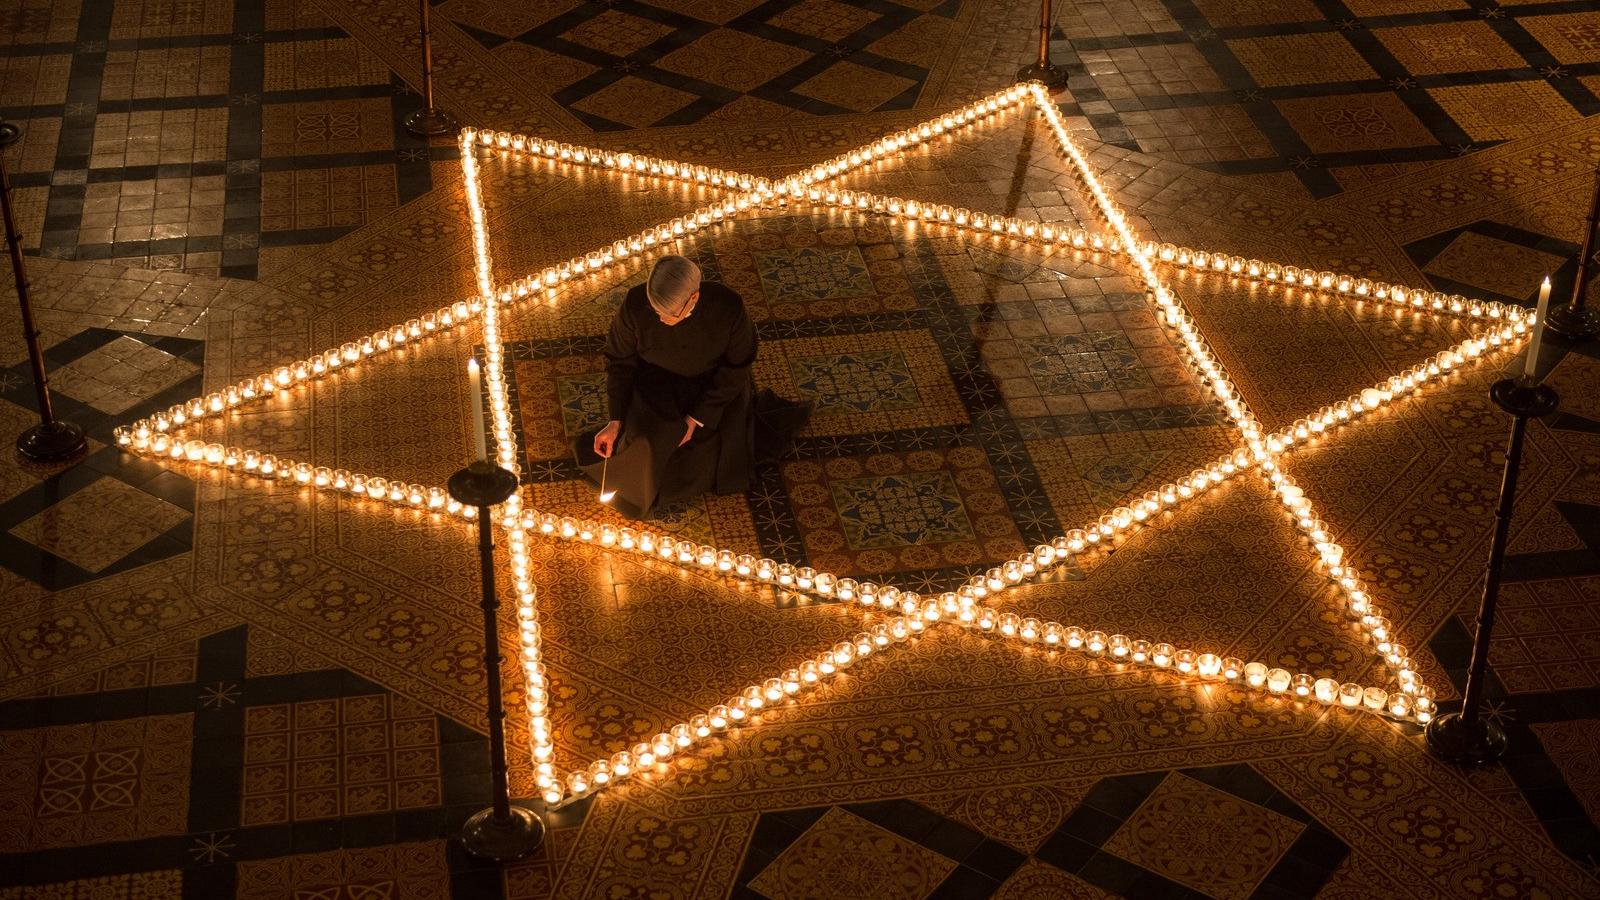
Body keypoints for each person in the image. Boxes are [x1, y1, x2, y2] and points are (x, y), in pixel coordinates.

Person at [574, 255, 809, 518]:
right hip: (655, 385)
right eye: (655, 311)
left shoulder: (728, 308)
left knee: (696, 454)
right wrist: (616, 419)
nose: (661, 319)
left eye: (669, 314)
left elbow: (737, 367)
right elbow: (619, 361)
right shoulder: (634, 305)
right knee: (646, 446)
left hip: (713, 389)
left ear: (693, 299)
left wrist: (697, 419)